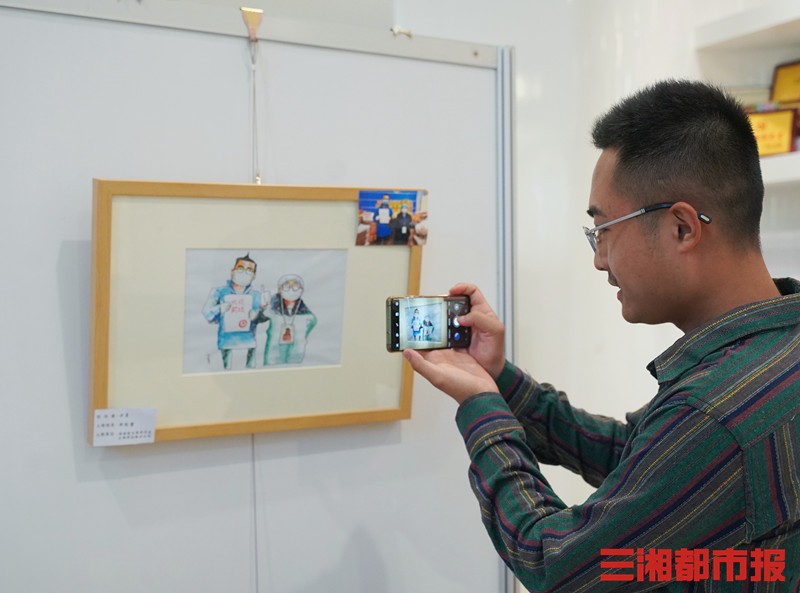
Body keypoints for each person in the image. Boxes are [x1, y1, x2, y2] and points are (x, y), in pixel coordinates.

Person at [404, 80, 800, 592]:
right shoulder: (772, 353)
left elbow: (555, 565)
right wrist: (501, 381)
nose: (599, 259)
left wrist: (482, 408)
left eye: (604, 229)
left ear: (682, 228)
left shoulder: (712, 412)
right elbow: (645, 467)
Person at [201, 254, 266, 370]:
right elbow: (207, 313)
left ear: (254, 276)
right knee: (227, 372)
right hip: (226, 342)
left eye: (249, 270)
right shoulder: (219, 291)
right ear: (232, 271)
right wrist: (220, 308)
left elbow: (263, 319)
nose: (244, 272)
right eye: (240, 268)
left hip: (249, 342)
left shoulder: (257, 295)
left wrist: (260, 313)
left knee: (250, 372)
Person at [263, 274, 317, 365]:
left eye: (295, 285)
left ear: (301, 289)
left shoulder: (306, 313)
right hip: (273, 353)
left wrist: (303, 336)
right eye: (286, 286)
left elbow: (312, 322)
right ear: (280, 290)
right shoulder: (273, 309)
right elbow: (260, 318)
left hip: (296, 353)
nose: (291, 289)